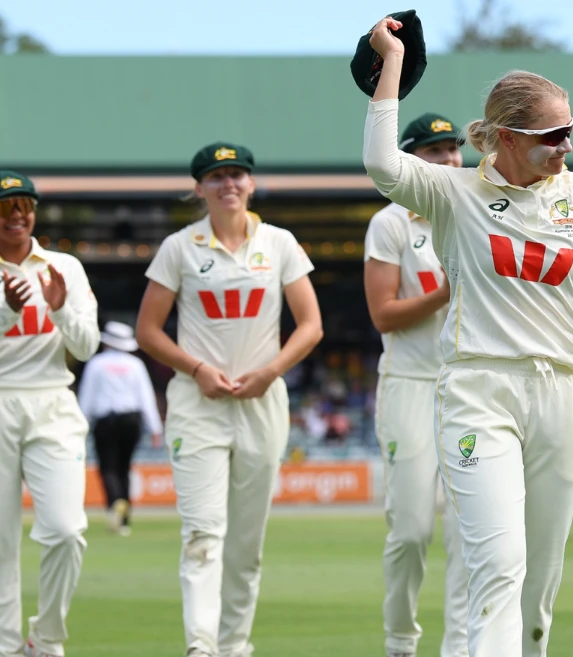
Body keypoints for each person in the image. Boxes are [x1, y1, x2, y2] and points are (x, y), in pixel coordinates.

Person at [361, 16, 573, 657]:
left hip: (564, 396)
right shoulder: (453, 192)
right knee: (498, 562)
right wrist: (392, 60)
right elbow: (382, 162)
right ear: (504, 137)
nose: (566, 146)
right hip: (478, 389)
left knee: (540, 582)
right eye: (552, 135)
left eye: (569, 131)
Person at [136, 142, 323, 657]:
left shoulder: (280, 243)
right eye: (216, 177)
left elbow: (310, 326)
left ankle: (235, 646)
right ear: (199, 188)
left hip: (263, 402)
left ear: (251, 184)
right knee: (202, 534)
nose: (228, 185)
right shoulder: (179, 247)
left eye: (237, 174)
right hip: (198, 404)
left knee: (245, 546)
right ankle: (201, 647)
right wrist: (196, 368)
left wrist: (270, 372)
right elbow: (148, 331)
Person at [0, 170, 100, 657]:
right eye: (5, 208)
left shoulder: (64, 268)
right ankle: (6, 652)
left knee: (67, 531)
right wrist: (5, 313)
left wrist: (59, 310)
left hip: (52, 400)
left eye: (25, 205)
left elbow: (87, 345)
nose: (18, 215)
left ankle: (46, 638)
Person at [364, 112, 469, 657]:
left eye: (453, 150)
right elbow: (383, 315)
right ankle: (401, 640)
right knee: (410, 530)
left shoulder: (476, 213)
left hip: (470, 385)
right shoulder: (391, 224)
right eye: (433, 151)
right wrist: (444, 293)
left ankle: (459, 646)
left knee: (465, 532)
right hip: (410, 382)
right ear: (410, 161)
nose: (449, 160)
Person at [77, 320, 164, 537]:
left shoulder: (96, 364)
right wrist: (155, 428)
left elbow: (87, 397)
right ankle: (124, 519)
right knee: (125, 467)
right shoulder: (135, 365)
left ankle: (115, 503)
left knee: (108, 467)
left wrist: (80, 426)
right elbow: (146, 398)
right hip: (131, 420)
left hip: (106, 421)